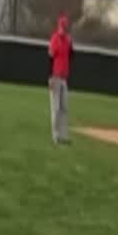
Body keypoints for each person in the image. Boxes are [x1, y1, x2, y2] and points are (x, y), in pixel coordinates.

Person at [47, 14, 73, 145]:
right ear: (59, 26)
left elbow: (71, 55)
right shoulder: (55, 39)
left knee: (64, 108)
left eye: (66, 26)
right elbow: (50, 58)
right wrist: (50, 77)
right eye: (63, 26)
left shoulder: (68, 40)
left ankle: (63, 135)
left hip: (64, 78)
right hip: (55, 77)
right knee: (56, 109)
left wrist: (71, 43)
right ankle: (55, 136)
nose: (64, 28)